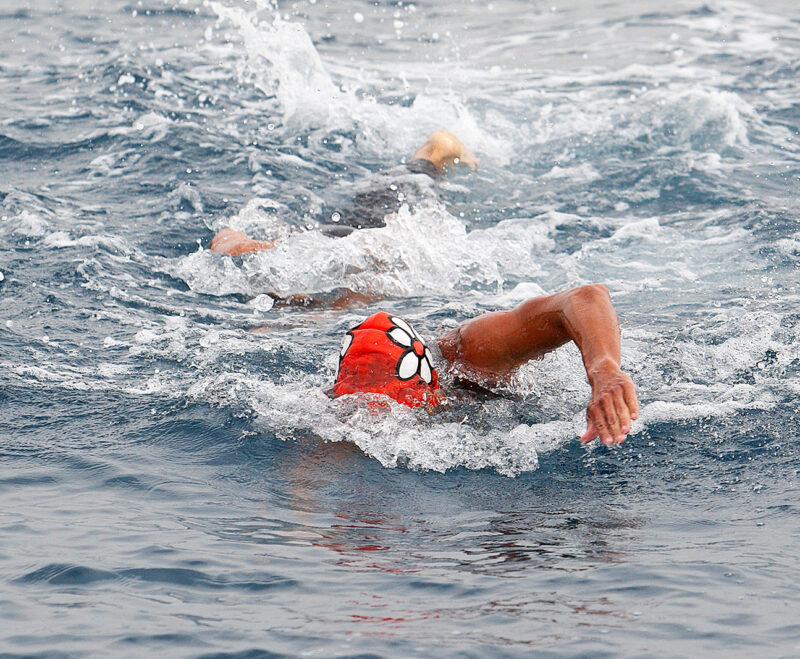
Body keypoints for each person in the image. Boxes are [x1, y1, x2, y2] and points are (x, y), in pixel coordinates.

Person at [207, 131, 638, 446]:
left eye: (383, 417)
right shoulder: (333, 398)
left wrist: (603, 369)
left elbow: (587, 297)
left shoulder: (473, 355)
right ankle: (242, 243)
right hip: (357, 255)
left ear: (429, 395)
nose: (369, 427)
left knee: (363, 239)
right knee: (249, 262)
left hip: (392, 256)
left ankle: (435, 151)